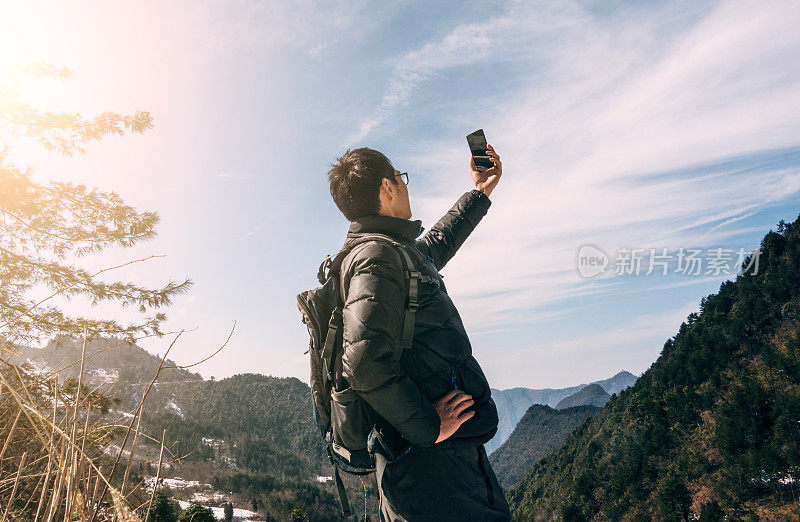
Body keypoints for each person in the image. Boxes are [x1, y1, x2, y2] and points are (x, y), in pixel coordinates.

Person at [326, 143, 510, 521]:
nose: (405, 186)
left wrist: (480, 191)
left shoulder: (392, 252)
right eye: (400, 178)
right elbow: (362, 363)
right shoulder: (376, 258)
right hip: (429, 468)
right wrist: (429, 427)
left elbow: (437, 245)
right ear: (387, 187)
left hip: (439, 458)